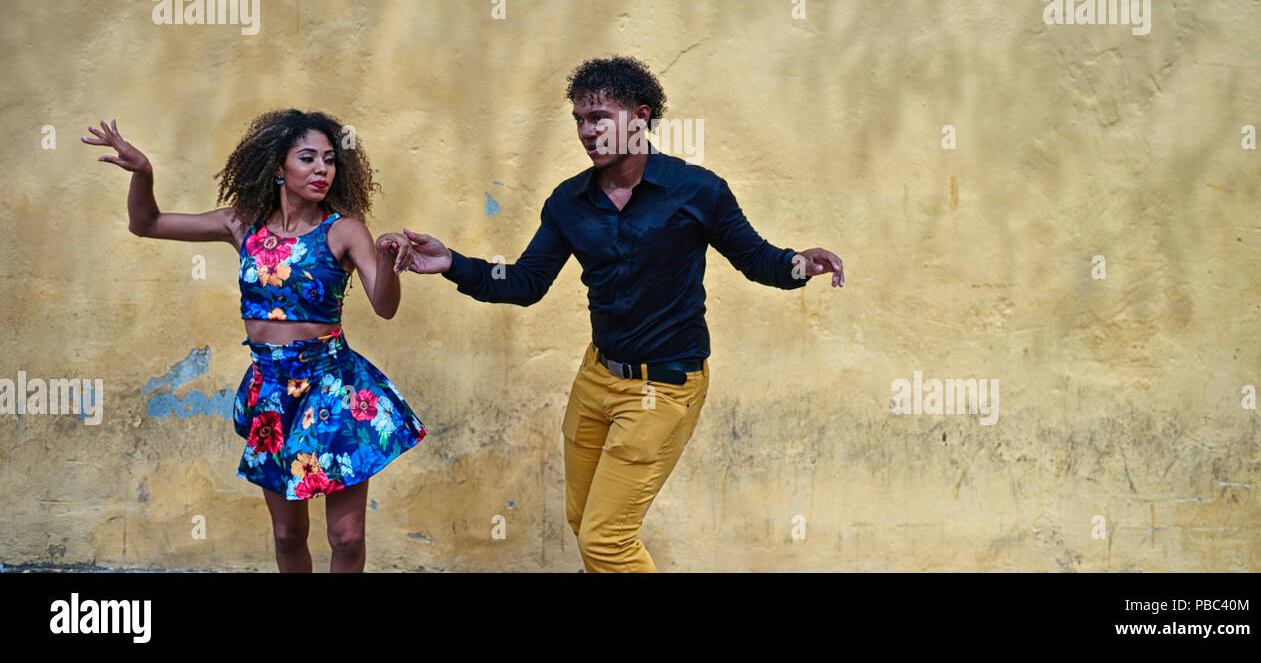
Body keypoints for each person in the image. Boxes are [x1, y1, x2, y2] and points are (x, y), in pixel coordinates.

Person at [400, 56, 844, 571]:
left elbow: (755, 258)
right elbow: (525, 283)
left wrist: (797, 264)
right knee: (585, 522)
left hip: (664, 387)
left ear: (639, 116)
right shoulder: (569, 202)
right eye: (579, 122)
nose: (587, 132)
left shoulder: (697, 191)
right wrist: (453, 263)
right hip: (596, 378)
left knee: (607, 540)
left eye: (599, 118)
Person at [83, 110, 426, 573]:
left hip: (334, 388)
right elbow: (147, 224)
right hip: (270, 390)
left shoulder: (344, 231)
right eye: (307, 158)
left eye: (329, 160)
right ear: (278, 167)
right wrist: (144, 174)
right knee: (287, 535)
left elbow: (384, 306)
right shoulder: (241, 225)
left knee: (346, 538)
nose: (322, 169)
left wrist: (388, 260)